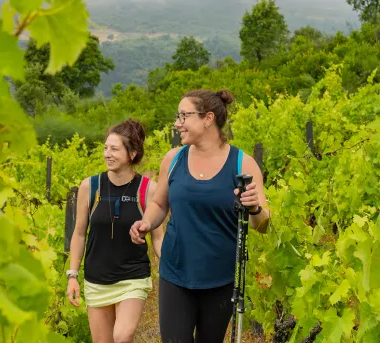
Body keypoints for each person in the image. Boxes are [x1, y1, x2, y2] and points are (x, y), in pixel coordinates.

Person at [129, 89, 270, 343]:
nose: (177, 123)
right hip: (176, 272)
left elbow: (263, 224)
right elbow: (160, 203)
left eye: (184, 116)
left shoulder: (242, 164)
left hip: (220, 277)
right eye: (178, 115)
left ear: (208, 119)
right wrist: (146, 222)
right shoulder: (173, 159)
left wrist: (255, 209)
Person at [66, 118, 164, 343]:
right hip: (96, 279)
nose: (107, 154)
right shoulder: (90, 187)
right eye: (105, 148)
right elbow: (79, 233)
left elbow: (158, 240)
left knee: (122, 336)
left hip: (132, 278)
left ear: (132, 154)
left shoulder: (148, 189)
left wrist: (172, 266)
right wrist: (72, 276)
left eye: (114, 149)